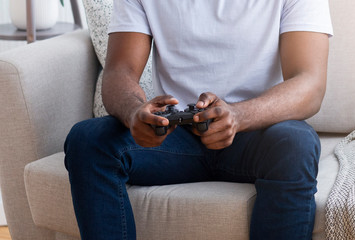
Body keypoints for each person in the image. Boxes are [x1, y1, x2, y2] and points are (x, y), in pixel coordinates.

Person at [64, 0, 333, 239]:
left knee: (296, 142)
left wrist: (238, 116)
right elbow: (119, 71)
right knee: (88, 139)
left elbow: (309, 85)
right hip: (172, 136)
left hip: (256, 134)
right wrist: (134, 112)